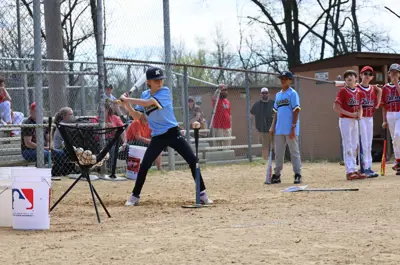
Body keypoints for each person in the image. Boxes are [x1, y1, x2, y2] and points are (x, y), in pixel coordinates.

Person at [120, 66, 212, 206]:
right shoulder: (144, 94)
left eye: (161, 80)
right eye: (156, 80)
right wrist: (127, 105)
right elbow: (139, 117)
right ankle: (135, 196)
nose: (159, 83)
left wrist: (129, 99)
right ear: (148, 82)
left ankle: (202, 194)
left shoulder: (165, 92)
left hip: (172, 132)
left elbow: (149, 103)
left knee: (192, 160)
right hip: (157, 136)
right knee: (144, 165)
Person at [269, 71, 302, 184]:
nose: (283, 80)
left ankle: (297, 174)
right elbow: (276, 113)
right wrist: (272, 126)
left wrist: (293, 127)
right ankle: (277, 174)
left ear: (290, 80)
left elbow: (296, 111)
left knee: (294, 152)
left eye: (285, 78)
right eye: (281, 78)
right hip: (279, 129)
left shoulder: (292, 93)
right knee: (278, 153)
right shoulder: (278, 95)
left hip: (290, 129)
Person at [21, 102, 68, 179]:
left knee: (61, 153)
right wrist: (43, 148)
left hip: (44, 148)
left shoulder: (43, 122)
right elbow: (28, 143)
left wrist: (49, 145)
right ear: (31, 111)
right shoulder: (28, 123)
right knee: (46, 154)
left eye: (41, 111)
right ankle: (42, 174)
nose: (39, 113)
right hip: (29, 151)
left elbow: (48, 138)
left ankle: (57, 173)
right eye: (37, 111)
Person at [333, 70, 365, 180]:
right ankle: (349, 171)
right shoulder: (343, 91)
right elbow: (336, 107)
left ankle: (355, 169)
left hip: (355, 121)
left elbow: (360, 106)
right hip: (345, 120)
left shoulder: (359, 92)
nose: (349, 77)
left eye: (351, 75)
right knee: (348, 145)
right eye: (346, 76)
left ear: (356, 78)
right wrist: (351, 114)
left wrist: (360, 115)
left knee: (355, 145)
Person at [357, 66, 382, 178]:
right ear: (360, 75)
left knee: (368, 144)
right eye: (365, 73)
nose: (367, 75)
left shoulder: (372, 88)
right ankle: (362, 167)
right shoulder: (357, 87)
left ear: (372, 77)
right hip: (361, 118)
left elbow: (380, 91)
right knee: (363, 143)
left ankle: (368, 167)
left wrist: (377, 104)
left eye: (369, 74)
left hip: (370, 117)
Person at [381, 63, 400, 174]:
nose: (394, 74)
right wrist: (384, 120)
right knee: (394, 139)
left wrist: (396, 84)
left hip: (399, 112)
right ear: (388, 74)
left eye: (396, 72)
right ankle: (398, 161)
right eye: (392, 72)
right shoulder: (385, 87)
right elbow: (384, 105)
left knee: (398, 135)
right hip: (390, 114)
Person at [250, 87, 275, 160]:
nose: (264, 94)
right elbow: (251, 115)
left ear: (268, 94)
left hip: (273, 129)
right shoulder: (257, 104)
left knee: (275, 146)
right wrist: (252, 127)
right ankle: (265, 161)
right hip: (263, 130)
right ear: (261, 94)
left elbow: (276, 115)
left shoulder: (273, 103)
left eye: (266, 93)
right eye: (263, 93)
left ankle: (276, 161)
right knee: (265, 147)